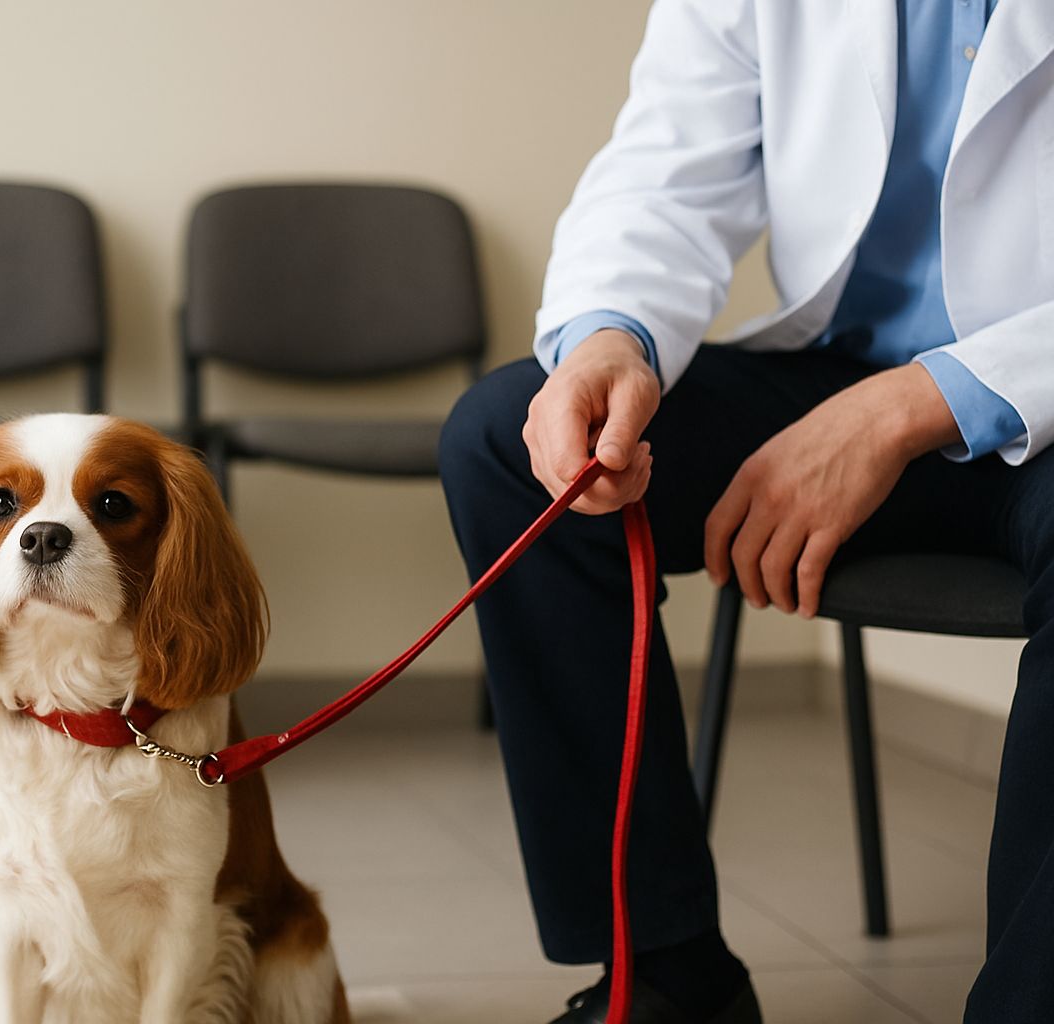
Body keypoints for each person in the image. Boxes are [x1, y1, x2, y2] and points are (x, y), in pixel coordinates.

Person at [438, 1, 1053, 1021]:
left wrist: (912, 405)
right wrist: (607, 341)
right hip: (841, 373)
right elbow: (665, 172)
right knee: (509, 442)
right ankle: (667, 976)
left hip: (1033, 397)